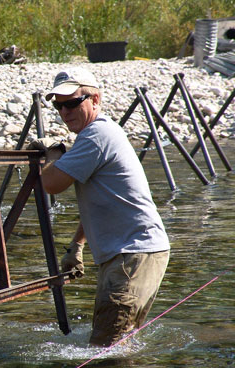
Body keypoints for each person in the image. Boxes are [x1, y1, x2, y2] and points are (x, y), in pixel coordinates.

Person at [38, 67, 170, 347]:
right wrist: (77, 245)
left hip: (133, 255)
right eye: (59, 105)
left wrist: (51, 155)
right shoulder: (99, 134)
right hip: (135, 254)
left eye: (73, 102)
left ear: (95, 99)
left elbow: (50, 184)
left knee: (104, 352)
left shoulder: (96, 136)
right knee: (118, 345)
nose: (65, 111)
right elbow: (102, 203)